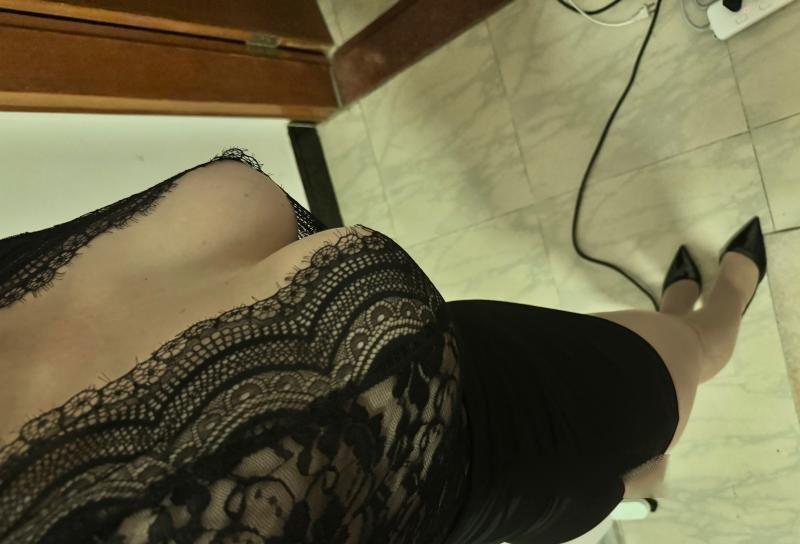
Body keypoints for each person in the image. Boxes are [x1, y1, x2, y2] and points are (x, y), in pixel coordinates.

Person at [0, 149, 766, 544]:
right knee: (691, 352)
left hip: (485, 373)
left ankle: (640, 451)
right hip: (525, 434)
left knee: (629, 445)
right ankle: (722, 306)